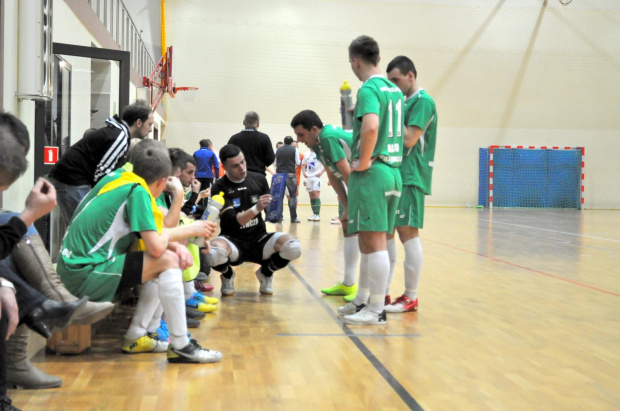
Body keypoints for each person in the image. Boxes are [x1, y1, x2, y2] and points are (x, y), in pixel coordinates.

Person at [56, 139, 222, 363]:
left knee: (163, 259)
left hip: (73, 267)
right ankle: (180, 344)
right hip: (85, 274)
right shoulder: (139, 192)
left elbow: (157, 232)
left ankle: (141, 335)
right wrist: (190, 230)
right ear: (163, 181)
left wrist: (178, 241)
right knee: (167, 260)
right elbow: (156, 244)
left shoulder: (119, 178)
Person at [338, 35, 404, 325]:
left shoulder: (369, 89)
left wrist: (363, 161)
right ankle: (365, 300)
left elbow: (371, 127)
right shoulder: (395, 90)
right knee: (374, 242)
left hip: (373, 173)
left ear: (356, 61)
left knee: (373, 243)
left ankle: (376, 309)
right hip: (393, 171)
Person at [206, 144, 301, 296]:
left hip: (259, 239)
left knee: (293, 247)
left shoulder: (259, 179)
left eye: (243, 162)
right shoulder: (219, 187)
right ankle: (228, 275)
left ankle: (265, 272)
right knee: (213, 252)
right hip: (233, 241)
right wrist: (256, 208)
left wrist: (274, 204)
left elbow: (270, 213)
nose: (242, 168)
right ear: (225, 167)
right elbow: (234, 221)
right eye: (235, 166)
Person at [383, 56, 438, 313]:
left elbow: (408, 139)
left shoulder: (423, 102)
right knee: (387, 233)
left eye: (396, 80)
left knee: (408, 233)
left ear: (411, 76)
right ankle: (382, 293)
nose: (393, 85)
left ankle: (411, 296)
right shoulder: (404, 102)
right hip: (396, 174)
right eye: (390, 81)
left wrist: (384, 116)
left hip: (411, 175)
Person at [291, 110, 360, 301]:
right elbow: (332, 174)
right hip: (357, 183)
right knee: (348, 229)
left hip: (368, 183)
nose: (300, 139)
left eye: (301, 135)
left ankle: (366, 293)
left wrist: (354, 204)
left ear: (314, 129)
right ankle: (348, 284)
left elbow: (347, 174)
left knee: (369, 238)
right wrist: (346, 208)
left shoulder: (328, 137)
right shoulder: (317, 144)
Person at [49, 100, 154, 225]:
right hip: (72, 180)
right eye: (149, 124)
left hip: (71, 178)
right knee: (83, 226)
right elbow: (103, 173)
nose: (150, 130)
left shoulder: (117, 133)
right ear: (138, 122)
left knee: (82, 225)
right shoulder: (120, 137)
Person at [228, 111, 275, 177]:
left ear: (243, 122)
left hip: (239, 177)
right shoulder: (264, 138)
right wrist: (260, 164)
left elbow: (227, 157)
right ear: (258, 124)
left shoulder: (234, 139)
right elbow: (271, 158)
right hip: (258, 176)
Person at [274, 136, 301, 223]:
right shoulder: (294, 149)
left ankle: (279, 217)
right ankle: (293, 218)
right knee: (293, 197)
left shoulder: (277, 150)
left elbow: (274, 163)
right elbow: (298, 162)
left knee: (280, 197)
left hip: (279, 175)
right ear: (291, 142)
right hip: (290, 175)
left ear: (284, 142)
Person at [301, 150, 325, 221]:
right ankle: (314, 214)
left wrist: (322, 172)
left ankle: (317, 214)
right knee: (311, 194)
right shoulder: (306, 153)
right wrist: (303, 172)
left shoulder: (319, 153)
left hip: (316, 177)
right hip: (308, 177)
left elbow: (327, 163)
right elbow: (302, 164)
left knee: (315, 193)